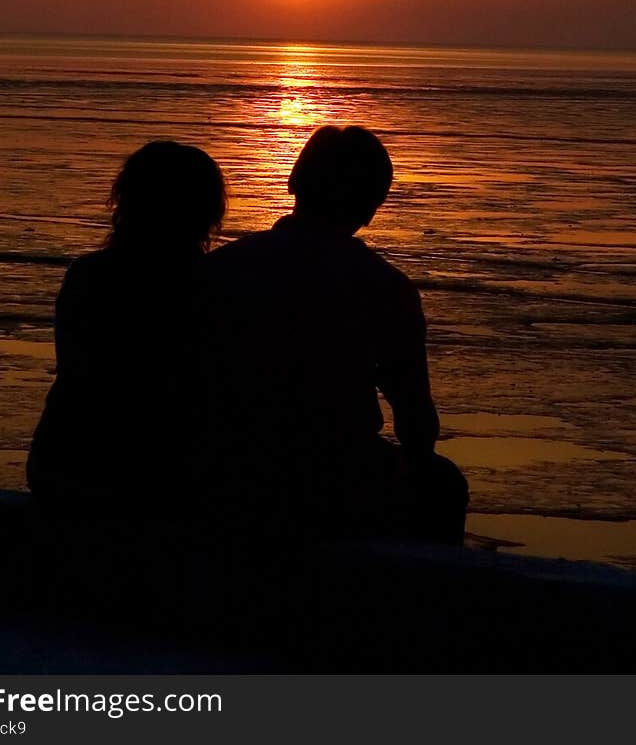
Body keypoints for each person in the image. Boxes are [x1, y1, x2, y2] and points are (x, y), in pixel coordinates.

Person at [199, 125, 468, 545]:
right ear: (371, 206)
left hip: (222, 462)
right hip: (335, 472)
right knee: (442, 484)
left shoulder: (221, 268)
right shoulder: (385, 287)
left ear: (293, 181)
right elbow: (416, 419)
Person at [27, 139, 226, 512]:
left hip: (64, 460)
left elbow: (78, 371)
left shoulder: (87, 275)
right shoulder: (214, 287)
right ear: (207, 212)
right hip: (163, 472)